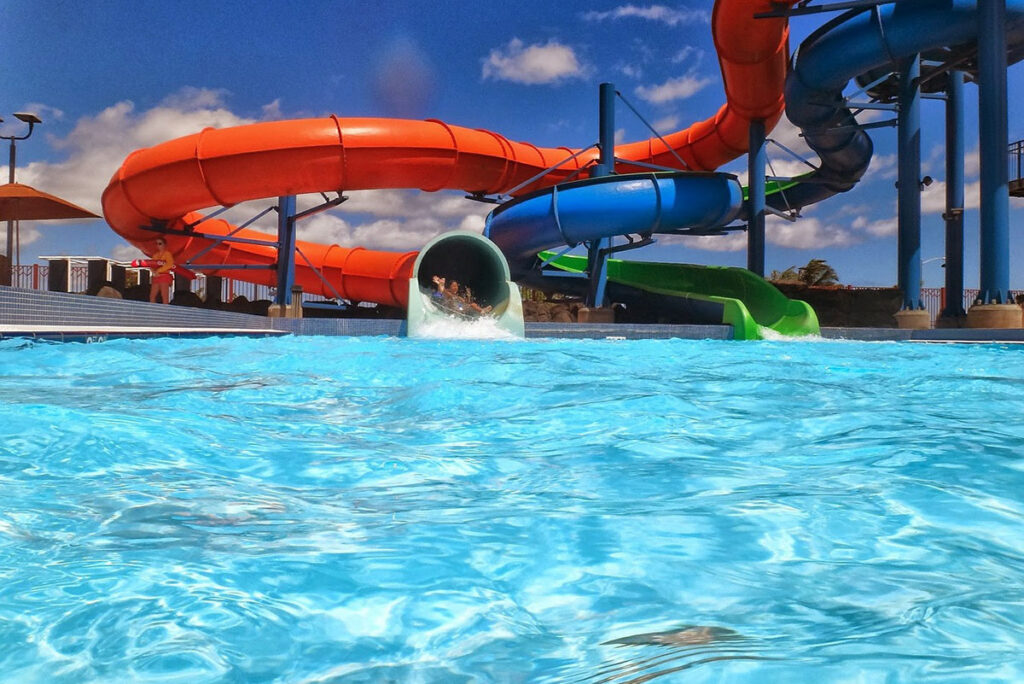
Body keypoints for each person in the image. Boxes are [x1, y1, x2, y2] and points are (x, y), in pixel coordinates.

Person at [149, 237, 175, 304]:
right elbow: (151, 265)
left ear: (164, 245)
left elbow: (170, 264)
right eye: (156, 244)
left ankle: (165, 309)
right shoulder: (155, 255)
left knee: (164, 296)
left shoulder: (167, 254)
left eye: (160, 243)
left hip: (164, 277)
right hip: (156, 277)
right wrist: (154, 272)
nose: (158, 245)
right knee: (152, 296)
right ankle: (152, 309)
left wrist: (158, 271)